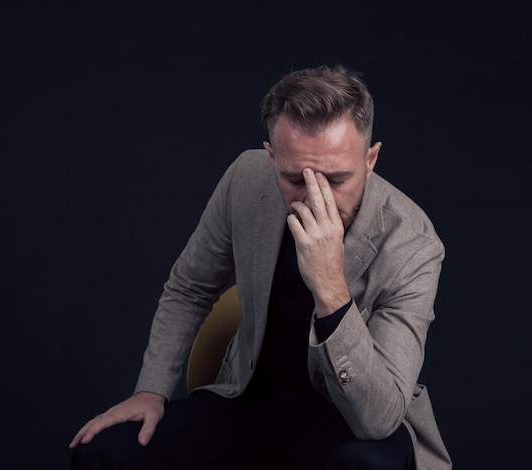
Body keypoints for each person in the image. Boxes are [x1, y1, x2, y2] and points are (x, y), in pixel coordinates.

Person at [69, 64, 452, 469]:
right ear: (272, 159)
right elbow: (189, 288)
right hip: (249, 404)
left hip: (348, 420)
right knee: (100, 453)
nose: (315, 198)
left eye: (337, 180)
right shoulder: (246, 179)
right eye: (295, 179)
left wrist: (331, 290)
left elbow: (377, 418)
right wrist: (151, 390)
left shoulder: (413, 242)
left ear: (370, 159)